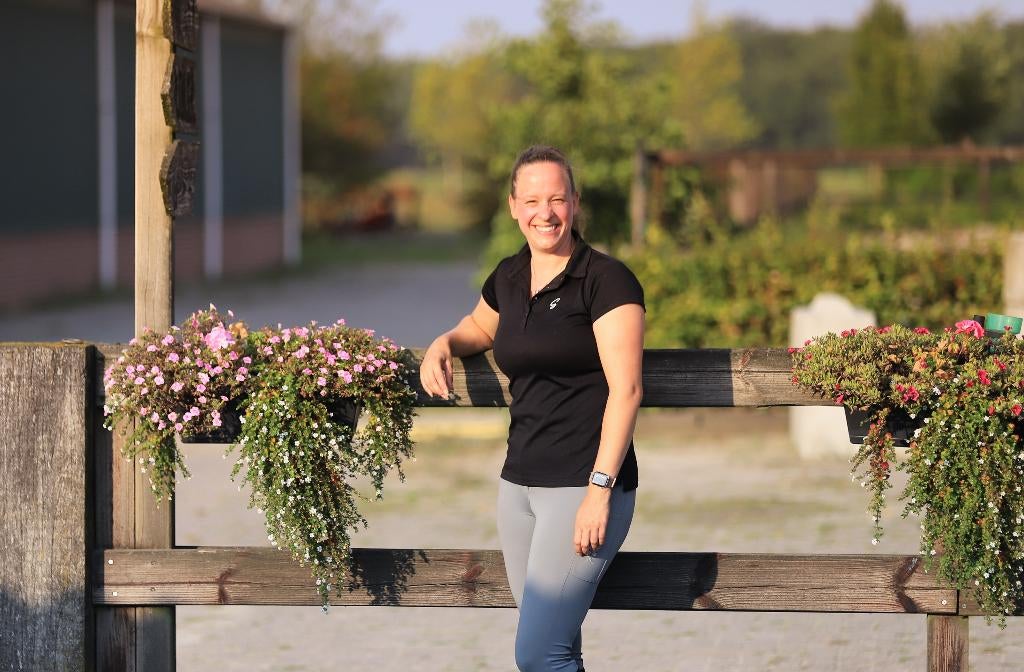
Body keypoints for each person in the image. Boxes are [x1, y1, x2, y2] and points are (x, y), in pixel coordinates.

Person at [420, 145, 645, 672]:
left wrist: (599, 490)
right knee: (556, 648)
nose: (546, 213)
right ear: (514, 207)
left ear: (575, 203)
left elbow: (627, 390)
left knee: (538, 654)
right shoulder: (510, 276)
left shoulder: (607, 281)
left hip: (581, 488)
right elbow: (481, 327)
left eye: (558, 199)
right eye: (533, 201)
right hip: (518, 486)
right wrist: (444, 342)